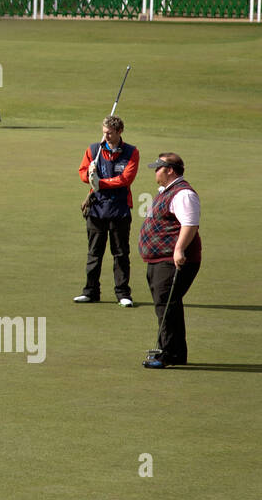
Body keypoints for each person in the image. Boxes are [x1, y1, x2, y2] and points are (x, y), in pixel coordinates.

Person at [140, 154, 201, 368]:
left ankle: (168, 354)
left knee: (166, 305)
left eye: (158, 168)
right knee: (168, 304)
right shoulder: (167, 192)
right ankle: (175, 353)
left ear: (170, 170)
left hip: (174, 259)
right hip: (160, 259)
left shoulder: (183, 194)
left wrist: (179, 250)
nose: (155, 171)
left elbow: (190, 224)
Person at [75, 116, 139, 306]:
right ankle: (90, 291)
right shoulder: (94, 149)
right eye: (103, 132)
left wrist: (100, 183)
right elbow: (82, 174)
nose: (105, 136)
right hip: (96, 209)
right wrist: (90, 174)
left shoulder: (131, 152)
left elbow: (125, 179)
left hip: (119, 209)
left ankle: (123, 294)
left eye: (109, 133)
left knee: (120, 253)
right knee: (94, 253)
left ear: (119, 132)